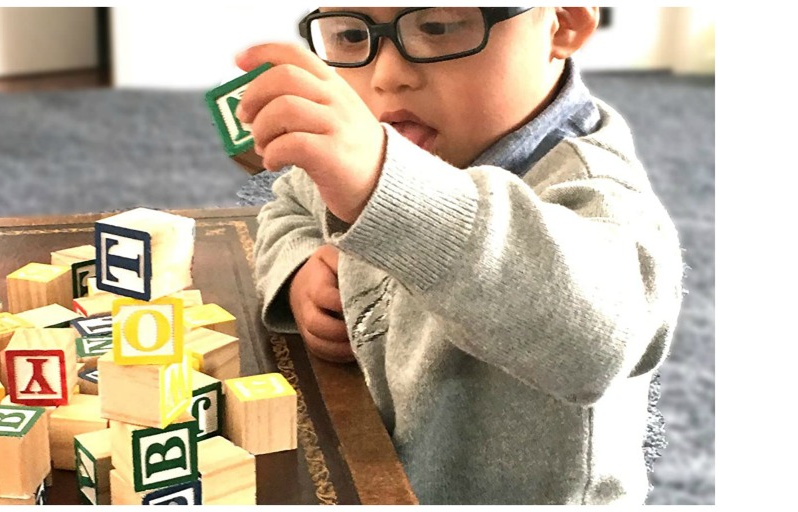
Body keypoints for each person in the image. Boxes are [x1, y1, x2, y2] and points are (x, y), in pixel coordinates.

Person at [234, 6, 685, 505]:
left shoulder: (595, 191)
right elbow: (291, 203)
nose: (387, 76)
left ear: (564, 25)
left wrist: (388, 187)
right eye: (348, 34)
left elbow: (600, 340)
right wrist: (299, 269)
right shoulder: (376, 142)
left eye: (437, 27)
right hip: (372, 461)